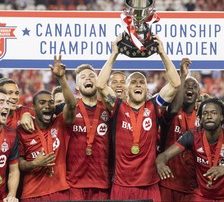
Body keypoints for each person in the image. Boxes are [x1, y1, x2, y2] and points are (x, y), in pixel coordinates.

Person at [96, 34, 181, 201]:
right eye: (133, 82)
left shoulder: (154, 106)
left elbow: (176, 84)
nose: (137, 85)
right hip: (122, 185)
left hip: (149, 184)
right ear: (126, 89)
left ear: (146, 88)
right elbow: (100, 85)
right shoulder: (118, 107)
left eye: (141, 82)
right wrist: (114, 54)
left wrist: (162, 53)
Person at [156, 97, 224, 201]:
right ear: (200, 118)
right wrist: (160, 164)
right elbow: (164, 155)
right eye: (205, 113)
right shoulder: (192, 136)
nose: (209, 116)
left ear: (222, 117)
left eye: (213, 113)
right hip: (201, 196)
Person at [18, 55, 77, 201]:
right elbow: (17, 163)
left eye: (51, 102)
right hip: (32, 193)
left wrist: (61, 78)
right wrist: (34, 164)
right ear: (33, 107)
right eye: (42, 103)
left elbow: (72, 104)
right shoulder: (23, 130)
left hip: (60, 191)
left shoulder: (60, 123)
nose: (47, 106)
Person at [67, 63, 111, 200]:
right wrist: (27, 114)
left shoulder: (108, 108)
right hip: (74, 183)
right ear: (77, 86)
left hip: (102, 183)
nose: (88, 79)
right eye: (83, 77)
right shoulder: (70, 108)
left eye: (92, 76)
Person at [159, 58, 199, 202]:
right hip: (168, 183)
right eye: (186, 86)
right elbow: (175, 108)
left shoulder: (202, 117)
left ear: (198, 95)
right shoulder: (171, 113)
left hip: (191, 186)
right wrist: (182, 76)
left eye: (194, 87)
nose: (189, 89)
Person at [0, 87, 20, 202]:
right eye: (1, 102)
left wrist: (11, 195)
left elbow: (14, 171)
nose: (6, 107)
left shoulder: (12, 135)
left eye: (8, 103)